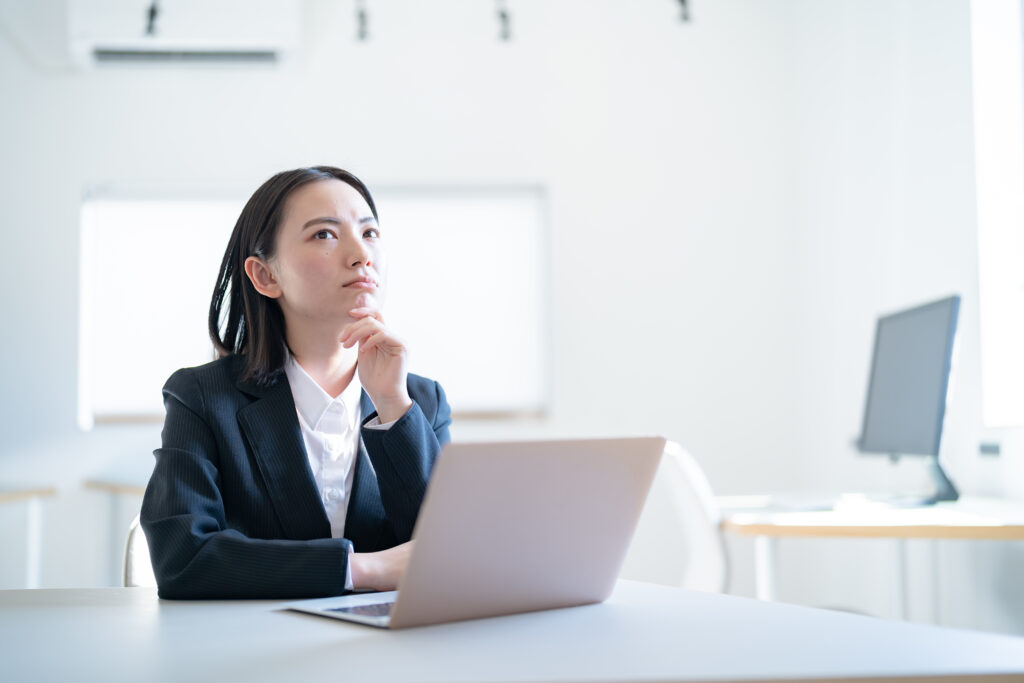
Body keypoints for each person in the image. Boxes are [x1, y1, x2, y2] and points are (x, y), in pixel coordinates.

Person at [141, 166, 452, 599]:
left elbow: (451, 555)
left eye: (370, 233)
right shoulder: (203, 398)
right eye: (325, 234)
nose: (361, 255)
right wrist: (365, 569)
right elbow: (183, 559)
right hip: (252, 654)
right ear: (265, 276)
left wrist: (393, 408)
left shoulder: (420, 400)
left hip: (393, 656)